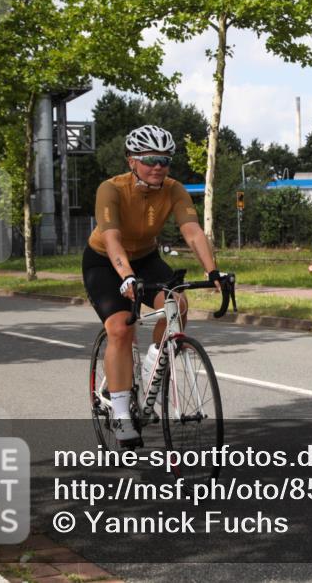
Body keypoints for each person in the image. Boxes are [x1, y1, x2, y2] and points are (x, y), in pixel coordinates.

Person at [83, 125, 221, 448]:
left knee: (178, 304)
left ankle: (154, 360)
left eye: (164, 160)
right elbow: (112, 239)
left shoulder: (173, 190)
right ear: (132, 160)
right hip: (105, 260)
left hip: (145, 258)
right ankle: (120, 411)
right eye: (150, 159)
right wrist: (126, 275)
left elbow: (193, 232)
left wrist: (213, 272)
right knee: (120, 327)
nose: (158, 166)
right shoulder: (110, 189)